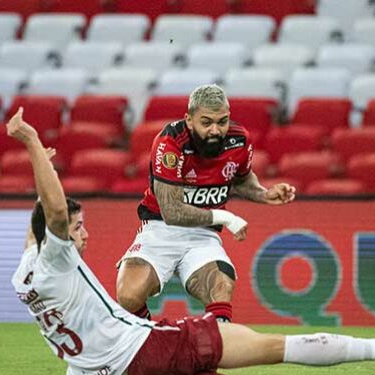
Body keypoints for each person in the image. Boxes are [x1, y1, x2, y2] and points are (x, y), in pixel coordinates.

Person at [7, 106, 375, 375]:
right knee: (275, 345)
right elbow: (56, 214)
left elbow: (43, 219)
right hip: (154, 348)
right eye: (79, 229)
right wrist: (31, 144)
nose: (85, 234)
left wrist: (41, 168)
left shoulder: (26, 275)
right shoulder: (58, 260)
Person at [116, 84, 296, 322]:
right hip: (160, 229)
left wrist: (264, 194)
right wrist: (225, 217)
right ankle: (149, 336)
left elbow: (240, 179)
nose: (215, 130)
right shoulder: (170, 142)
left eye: (222, 122)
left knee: (221, 286)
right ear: (189, 120)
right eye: (206, 122)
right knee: (128, 296)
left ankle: (217, 346)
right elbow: (172, 212)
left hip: (202, 235)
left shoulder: (239, 140)